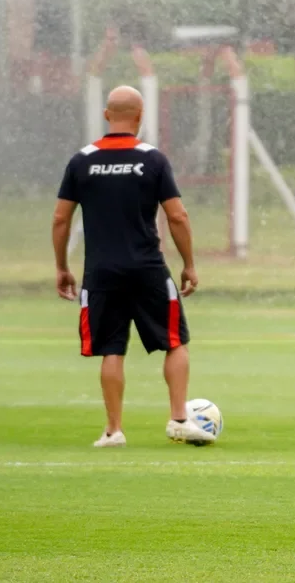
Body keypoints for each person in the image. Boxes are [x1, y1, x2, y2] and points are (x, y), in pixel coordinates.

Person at [51, 85, 211, 448]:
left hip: (101, 271)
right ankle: (179, 419)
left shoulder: (82, 161)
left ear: (107, 115)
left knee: (112, 348)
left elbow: (60, 219)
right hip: (147, 268)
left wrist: (62, 266)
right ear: (140, 117)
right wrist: (189, 264)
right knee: (174, 342)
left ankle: (113, 431)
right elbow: (177, 216)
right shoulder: (152, 159)